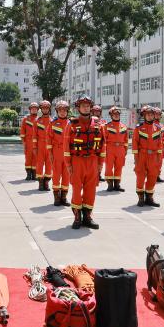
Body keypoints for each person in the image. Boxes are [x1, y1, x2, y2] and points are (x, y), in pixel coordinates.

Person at [65, 96, 106, 230]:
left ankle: (87, 217)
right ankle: (77, 217)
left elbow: (102, 146)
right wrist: (68, 165)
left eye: (88, 106)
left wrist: (100, 163)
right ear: (78, 108)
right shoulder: (71, 124)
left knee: (91, 190)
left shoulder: (98, 124)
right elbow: (66, 147)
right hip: (77, 161)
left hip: (93, 160)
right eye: (83, 106)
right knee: (77, 190)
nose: (86, 108)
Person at [132, 105, 164, 207]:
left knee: (153, 176)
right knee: (140, 176)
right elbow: (135, 142)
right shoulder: (139, 128)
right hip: (142, 155)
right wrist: (136, 158)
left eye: (151, 115)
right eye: (148, 115)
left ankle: (149, 198)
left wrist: (159, 158)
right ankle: (141, 198)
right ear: (144, 116)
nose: (150, 116)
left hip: (153, 156)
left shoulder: (157, 128)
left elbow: (160, 143)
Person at [49, 100, 72, 206]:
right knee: (56, 175)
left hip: (68, 152)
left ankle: (64, 197)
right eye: (60, 110)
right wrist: (50, 153)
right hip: (57, 152)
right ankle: (56, 197)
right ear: (57, 111)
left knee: (67, 175)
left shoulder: (71, 124)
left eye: (64, 110)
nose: (62, 112)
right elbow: (49, 138)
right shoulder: (53, 123)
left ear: (67, 111)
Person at [104, 107, 129, 192]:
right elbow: (104, 139)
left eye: (118, 114)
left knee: (119, 167)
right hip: (110, 148)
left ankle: (117, 185)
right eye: (114, 114)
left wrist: (125, 150)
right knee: (109, 167)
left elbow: (126, 140)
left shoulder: (124, 126)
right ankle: (110, 184)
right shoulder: (107, 126)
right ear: (111, 116)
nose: (116, 115)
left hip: (121, 149)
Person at [35, 100, 53, 191]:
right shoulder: (37, 121)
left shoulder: (52, 121)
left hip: (50, 146)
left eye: (46, 108)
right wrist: (34, 147)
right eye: (43, 108)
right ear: (41, 109)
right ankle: (40, 183)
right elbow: (34, 135)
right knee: (39, 164)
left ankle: (46, 182)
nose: (45, 110)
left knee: (49, 165)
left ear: (49, 109)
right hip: (40, 145)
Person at [20, 102, 39, 181]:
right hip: (28, 142)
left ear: (37, 110)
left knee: (36, 158)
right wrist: (24, 143)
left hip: (37, 142)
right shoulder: (26, 119)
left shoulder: (39, 119)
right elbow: (22, 131)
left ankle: (34, 174)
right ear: (30, 110)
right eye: (32, 108)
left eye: (35, 109)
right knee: (28, 158)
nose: (34, 110)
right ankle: (28, 174)